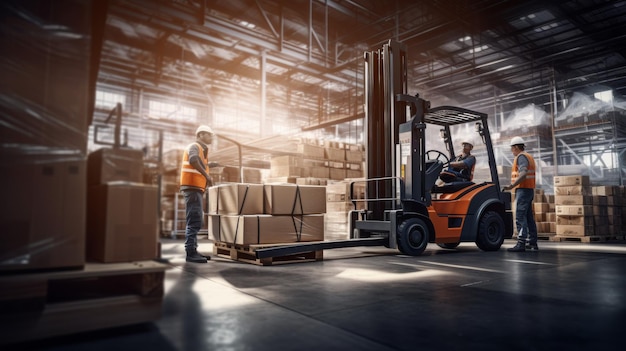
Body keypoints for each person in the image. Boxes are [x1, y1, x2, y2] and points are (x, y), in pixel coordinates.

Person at [180, 125, 215, 263]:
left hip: (196, 188)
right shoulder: (194, 146)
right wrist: (207, 175)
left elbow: (199, 162)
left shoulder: (202, 150)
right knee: (194, 219)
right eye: (209, 135)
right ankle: (190, 253)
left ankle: (193, 250)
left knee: (196, 219)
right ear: (201, 135)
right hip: (192, 187)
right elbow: (193, 160)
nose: (211, 137)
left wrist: (211, 165)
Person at [503, 136, 538, 252]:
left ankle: (521, 243)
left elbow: (523, 174)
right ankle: (532, 242)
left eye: (512, 148)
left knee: (520, 216)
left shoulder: (521, 157)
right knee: (528, 217)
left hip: (523, 190)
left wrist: (511, 186)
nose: (511, 150)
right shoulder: (529, 156)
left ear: (516, 147)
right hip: (528, 190)